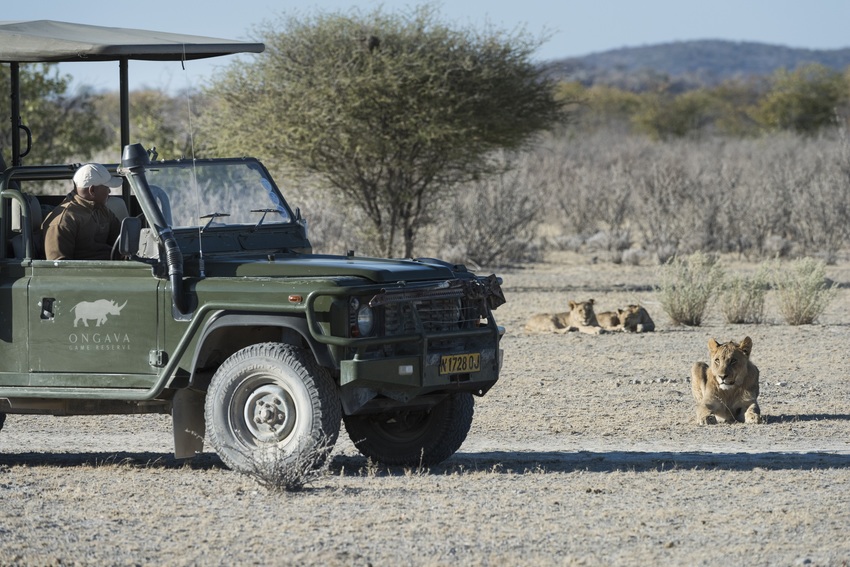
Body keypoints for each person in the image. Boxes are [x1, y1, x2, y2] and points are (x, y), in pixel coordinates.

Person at [41, 163, 122, 260]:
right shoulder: (64, 220)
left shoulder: (102, 210)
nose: (109, 192)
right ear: (92, 190)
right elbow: (59, 267)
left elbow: (120, 240)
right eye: (107, 187)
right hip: (88, 273)